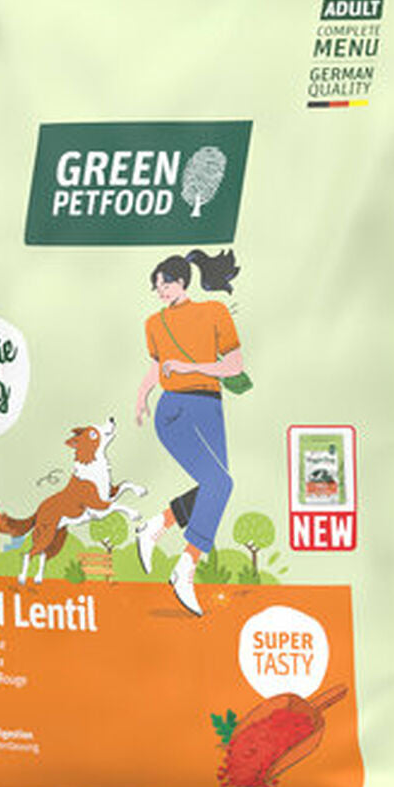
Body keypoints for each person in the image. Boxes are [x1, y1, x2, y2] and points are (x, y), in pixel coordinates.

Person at [135, 248, 245, 616]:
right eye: (156, 287)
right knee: (220, 484)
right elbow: (156, 368)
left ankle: (156, 526)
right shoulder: (154, 323)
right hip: (175, 409)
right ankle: (186, 567)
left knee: (216, 487)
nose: (160, 291)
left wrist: (188, 366)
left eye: (164, 284)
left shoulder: (214, 312)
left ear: (181, 280)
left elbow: (234, 366)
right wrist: (142, 397)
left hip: (210, 406)